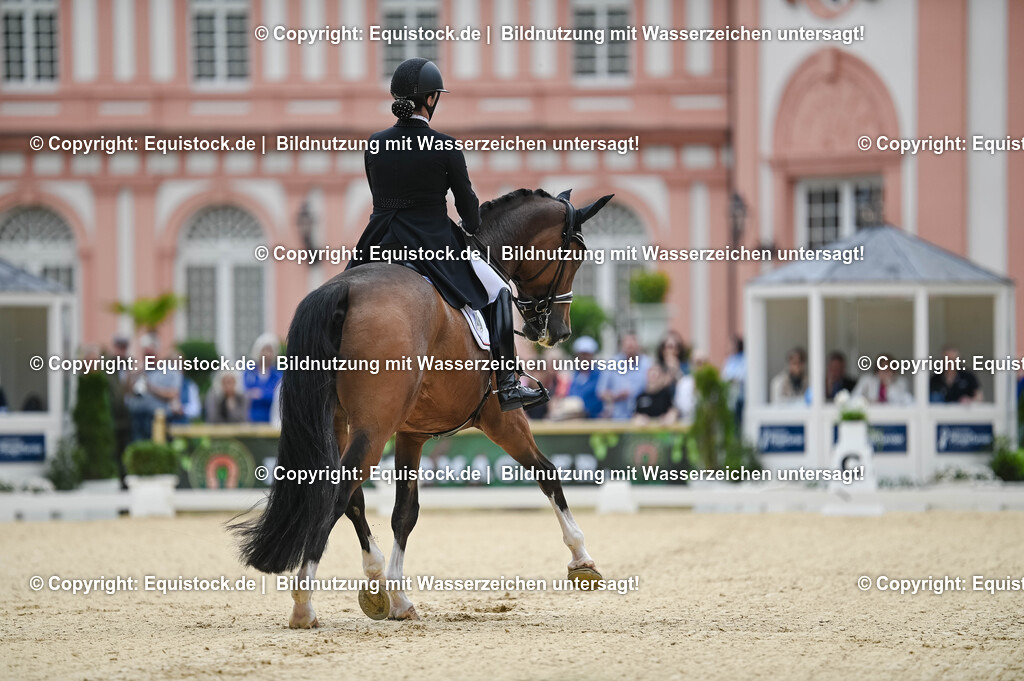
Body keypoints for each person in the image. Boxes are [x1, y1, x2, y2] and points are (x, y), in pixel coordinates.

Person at [346, 57, 544, 412]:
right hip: (432, 243)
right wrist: (469, 225)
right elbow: (468, 207)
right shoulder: (445, 146)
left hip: (379, 243)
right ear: (431, 100)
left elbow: (382, 194)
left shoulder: (375, 144)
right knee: (498, 289)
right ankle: (509, 385)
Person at [124, 334, 182, 441]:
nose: (148, 358)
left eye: (150, 354)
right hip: (137, 418)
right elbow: (127, 392)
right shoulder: (139, 371)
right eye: (145, 355)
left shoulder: (169, 372)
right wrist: (131, 375)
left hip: (158, 419)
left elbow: (172, 393)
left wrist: (151, 388)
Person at [597, 332, 651, 420]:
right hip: (617, 418)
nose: (630, 349)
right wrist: (616, 395)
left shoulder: (647, 364)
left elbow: (655, 388)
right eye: (627, 345)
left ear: (638, 345)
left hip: (642, 418)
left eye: (632, 345)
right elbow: (600, 392)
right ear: (622, 346)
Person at [244, 333, 283, 423]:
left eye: (270, 351)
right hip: (249, 422)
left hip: (272, 422)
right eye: (264, 350)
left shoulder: (278, 376)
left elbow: (278, 398)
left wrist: (261, 394)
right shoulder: (248, 373)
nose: (267, 354)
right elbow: (243, 395)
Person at [566, 336, 604, 418]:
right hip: (574, 421)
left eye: (587, 355)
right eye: (581, 355)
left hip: (594, 420)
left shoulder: (600, 375)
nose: (584, 358)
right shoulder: (574, 375)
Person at [673, 349, 709, 425]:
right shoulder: (683, 383)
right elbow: (679, 408)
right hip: (686, 426)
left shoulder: (712, 385)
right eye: (697, 362)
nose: (700, 366)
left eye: (703, 363)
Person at [722, 337, 746, 425]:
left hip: (740, 395)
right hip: (730, 395)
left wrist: (733, 379)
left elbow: (742, 375)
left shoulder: (744, 358)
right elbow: (724, 376)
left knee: (739, 420)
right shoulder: (729, 360)